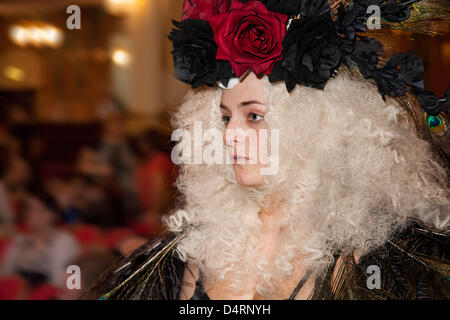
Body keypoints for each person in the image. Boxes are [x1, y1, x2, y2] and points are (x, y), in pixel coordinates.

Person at [86, 0, 450, 300]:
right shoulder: (189, 254)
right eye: (226, 118)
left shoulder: (377, 266)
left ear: (317, 126)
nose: (230, 135)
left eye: (255, 116)